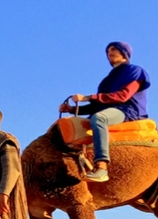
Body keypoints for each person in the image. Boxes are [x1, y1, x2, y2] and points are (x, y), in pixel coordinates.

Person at [59, 41, 151, 183]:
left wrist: (88, 97)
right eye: (108, 51)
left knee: (99, 119)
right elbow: (97, 105)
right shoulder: (106, 81)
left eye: (114, 49)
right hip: (108, 110)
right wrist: (71, 109)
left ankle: (102, 167)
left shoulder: (135, 70)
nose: (110, 52)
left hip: (127, 110)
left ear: (124, 53)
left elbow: (123, 96)